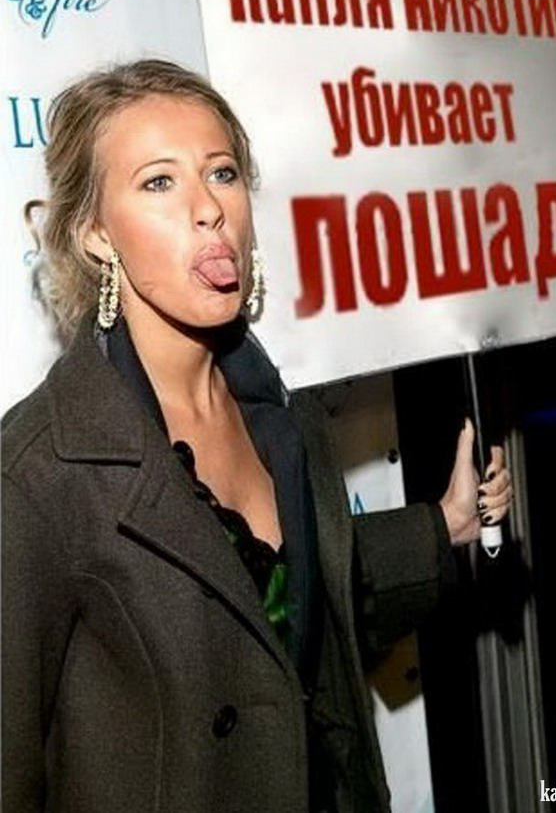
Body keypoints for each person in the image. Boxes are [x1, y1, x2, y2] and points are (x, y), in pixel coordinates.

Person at [1, 59, 512, 813]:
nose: (209, 208)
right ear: (97, 236)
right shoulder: (37, 472)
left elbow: (280, 605)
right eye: (159, 182)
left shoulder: (283, 413)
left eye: (222, 173)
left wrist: (445, 524)